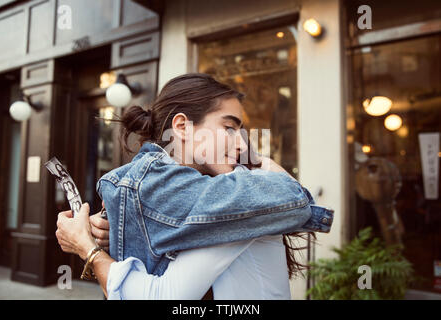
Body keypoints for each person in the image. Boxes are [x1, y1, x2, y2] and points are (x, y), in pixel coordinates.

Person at [56, 73, 334, 299]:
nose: (242, 143)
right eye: (229, 128)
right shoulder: (200, 196)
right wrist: (109, 230)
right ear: (182, 127)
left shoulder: (226, 197)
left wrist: (88, 247)